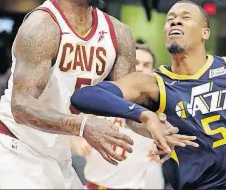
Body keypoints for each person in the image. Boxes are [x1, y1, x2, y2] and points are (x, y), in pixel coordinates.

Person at [0, 0, 190, 189]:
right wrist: (82, 125)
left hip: (58, 157)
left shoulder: (119, 33)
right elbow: (21, 105)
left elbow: (125, 109)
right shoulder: (43, 27)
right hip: (14, 149)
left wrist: (155, 129)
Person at [71, 0, 226, 189]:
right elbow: (84, 97)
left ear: (205, 33)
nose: (175, 22)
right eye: (170, 19)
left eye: (185, 18)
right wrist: (146, 115)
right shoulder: (153, 84)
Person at [71, 43, 165, 189]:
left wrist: (162, 146)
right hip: (95, 185)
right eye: (136, 63)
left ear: (153, 71)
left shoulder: (158, 108)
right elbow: (72, 125)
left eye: (146, 65)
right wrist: (74, 140)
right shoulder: (103, 96)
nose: (140, 68)